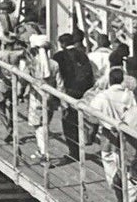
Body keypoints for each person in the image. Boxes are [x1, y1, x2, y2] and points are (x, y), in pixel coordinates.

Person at [86, 68, 137, 202]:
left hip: (108, 137)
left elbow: (92, 117)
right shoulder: (130, 96)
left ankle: (121, 200)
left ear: (110, 80)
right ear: (122, 80)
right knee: (126, 170)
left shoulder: (102, 96)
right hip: (126, 137)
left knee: (111, 168)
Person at [53, 30, 97, 161]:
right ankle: (83, 144)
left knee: (68, 123)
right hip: (84, 92)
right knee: (82, 120)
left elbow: (58, 77)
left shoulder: (59, 56)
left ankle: (74, 152)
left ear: (61, 44)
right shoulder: (82, 55)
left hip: (69, 92)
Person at [24, 34, 54, 164]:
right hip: (50, 97)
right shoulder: (54, 63)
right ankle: (42, 149)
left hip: (36, 97)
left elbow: (23, 77)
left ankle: (44, 153)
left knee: (39, 126)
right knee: (45, 124)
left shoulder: (32, 63)